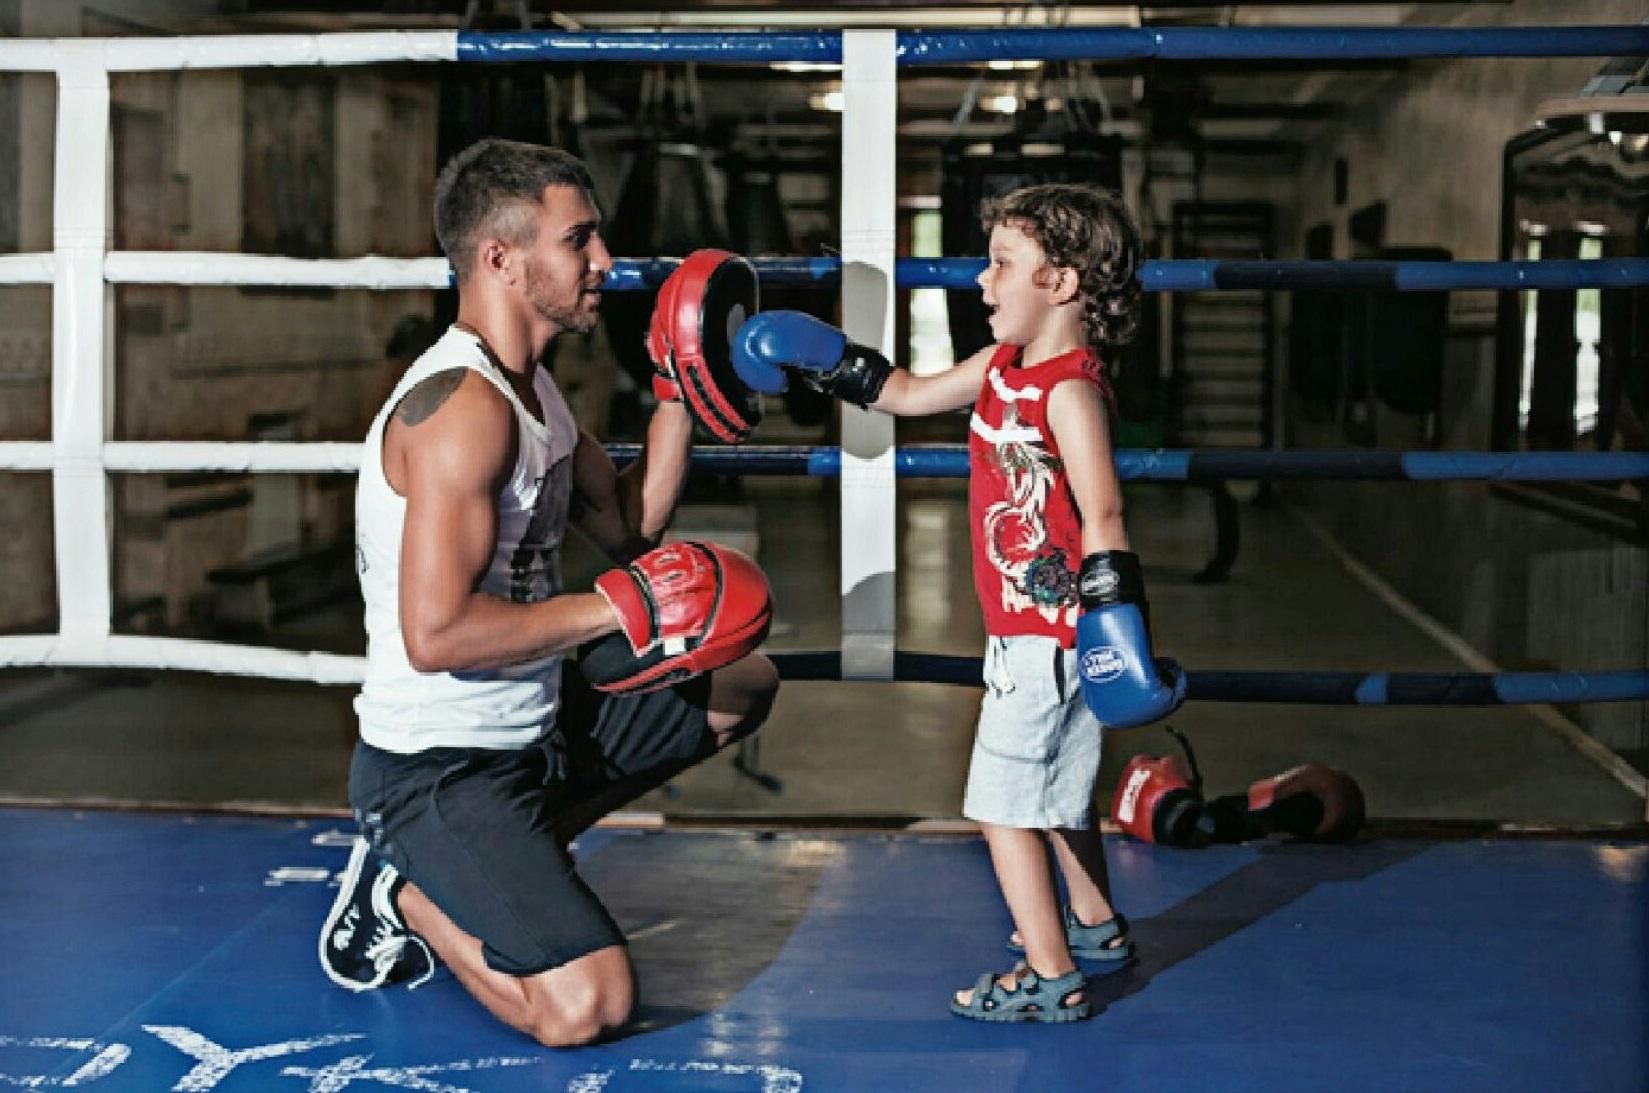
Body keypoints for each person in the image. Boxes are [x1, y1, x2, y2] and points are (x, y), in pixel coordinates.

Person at [318, 138, 780, 1047]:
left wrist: (674, 393)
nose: (605, 262)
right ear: (501, 258)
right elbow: (437, 633)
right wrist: (622, 607)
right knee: (585, 1008)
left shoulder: (534, 393)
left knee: (741, 682)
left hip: (531, 731)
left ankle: (501, 858)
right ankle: (406, 887)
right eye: (581, 240)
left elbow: (628, 530)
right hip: (437, 769)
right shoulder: (462, 410)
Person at [731, 183, 1184, 1022]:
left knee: (1002, 809)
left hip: (1051, 638)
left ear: (1061, 282)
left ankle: (1049, 974)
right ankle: (1093, 924)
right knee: (1056, 796)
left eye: (1002, 264)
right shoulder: (1000, 367)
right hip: (1024, 631)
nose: (980, 280)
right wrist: (823, 355)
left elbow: (1104, 511)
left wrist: (1115, 626)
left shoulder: (1070, 390)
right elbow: (904, 393)